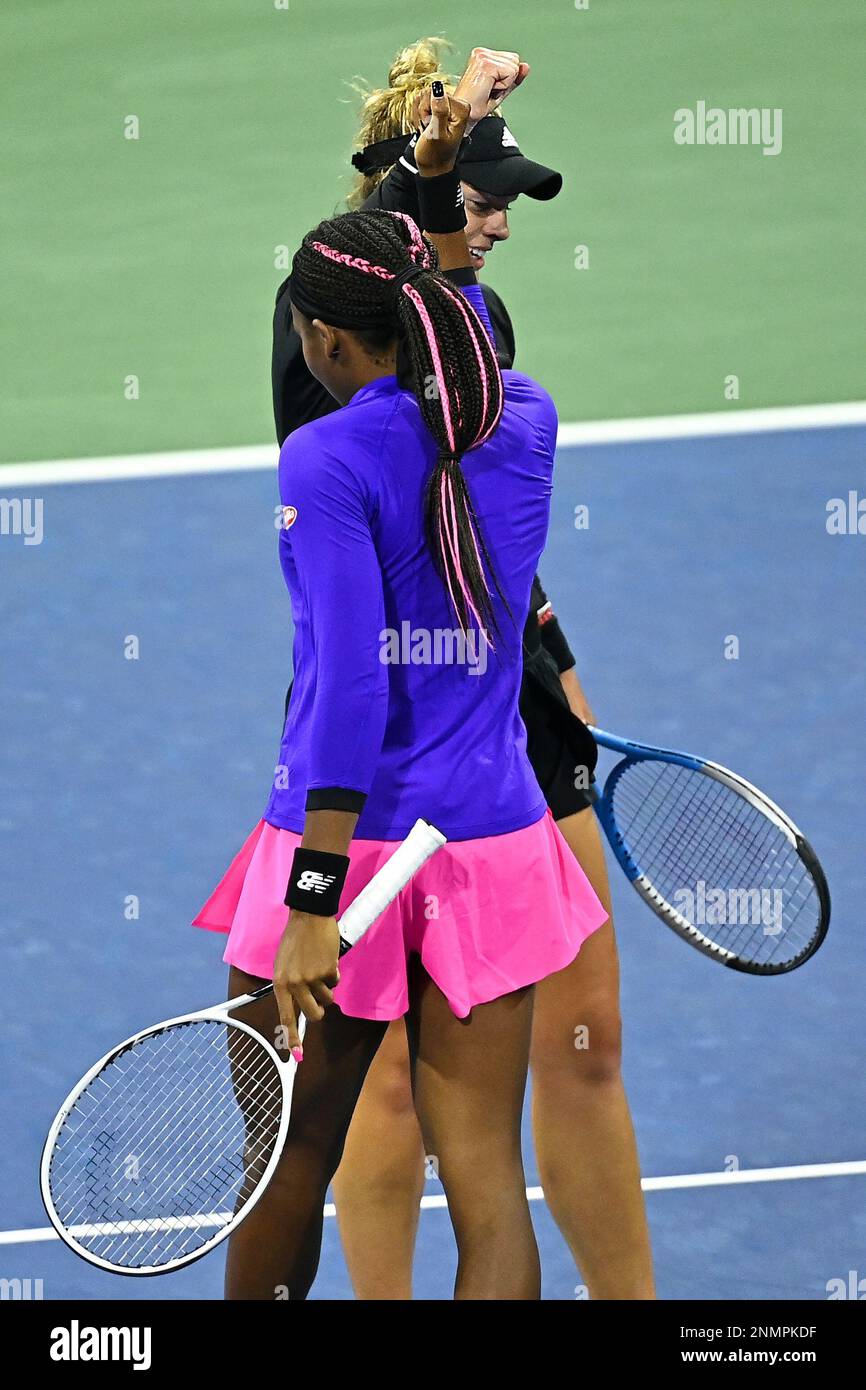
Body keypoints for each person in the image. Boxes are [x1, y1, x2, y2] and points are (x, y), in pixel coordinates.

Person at [194, 75, 607, 1300]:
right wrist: (421, 184)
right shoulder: (521, 422)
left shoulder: (323, 457)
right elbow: (436, 302)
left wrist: (316, 896)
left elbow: (347, 698)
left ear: (321, 340)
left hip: (346, 844)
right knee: (484, 1179)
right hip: (482, 842)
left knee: (286, 1155)